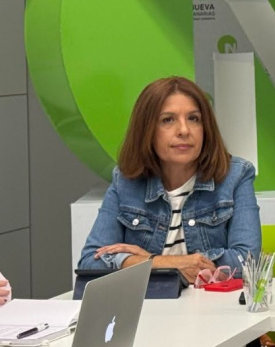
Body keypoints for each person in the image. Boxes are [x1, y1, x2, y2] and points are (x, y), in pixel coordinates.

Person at [78, 76, 260, 283]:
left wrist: (142, 262)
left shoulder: (235, 175)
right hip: (151, 302)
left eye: (193, 118)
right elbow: (90, 263)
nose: (184, 130)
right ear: (146, 130)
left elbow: (247, 261)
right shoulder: (126, 181)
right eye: (168, 120)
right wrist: (161, 263)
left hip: (210, 302)